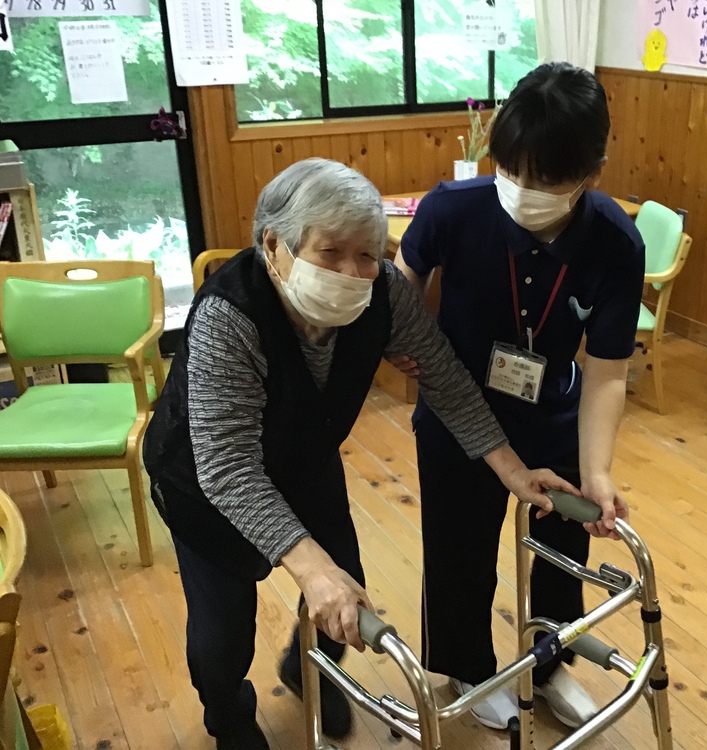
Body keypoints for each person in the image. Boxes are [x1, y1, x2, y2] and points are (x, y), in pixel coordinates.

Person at [142, 159, 579, 749]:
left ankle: (311, 671)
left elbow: (445, 378)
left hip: (306, 458)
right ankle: (229, 717)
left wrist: (513, 470)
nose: (353, 272)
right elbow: (229, 469)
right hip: (206, 482)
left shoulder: (386, 293)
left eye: (367, 255)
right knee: (222, 637)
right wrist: (311, 569)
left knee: (346, 592)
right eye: (331, 252)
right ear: (274, 246)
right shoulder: (230, 317)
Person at [393, 62, 645, 730]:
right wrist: (402, 342)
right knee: (459, 550)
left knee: (564, 553)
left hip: (554, 413)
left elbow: (608, 371)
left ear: (593, 172)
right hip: (458, 413)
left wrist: (596, 470)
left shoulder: (615, 241)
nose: (524, 191)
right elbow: (401, 280)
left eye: (546, 180)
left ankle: (550, 663)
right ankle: (469, 670)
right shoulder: (452, 208)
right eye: (511, 170)